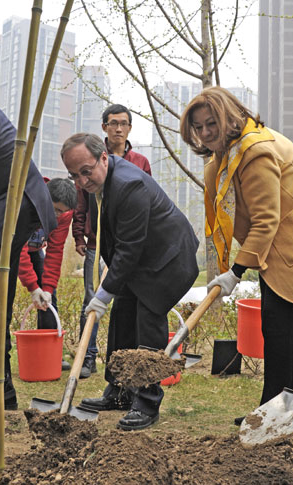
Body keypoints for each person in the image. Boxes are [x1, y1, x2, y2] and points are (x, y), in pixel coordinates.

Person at [180, 86, 293, 425]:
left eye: (212, 123)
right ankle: (275, 409)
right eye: (199, 127)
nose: (206, 132)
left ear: (229, 117)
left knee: (282, 330)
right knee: (276, 329)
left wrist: (236, 272)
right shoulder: (227, 157)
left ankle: (275, 413)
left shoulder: (255, 152)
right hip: (278, 245)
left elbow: (266, 219)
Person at [61, 133, 199, 431]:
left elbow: (130, 247)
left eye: (86, 171)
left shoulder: (129, 185)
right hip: (141, 261)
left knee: (148, 319)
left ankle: (147, 402)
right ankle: (120, 392)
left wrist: (103, 292)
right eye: (74, 175)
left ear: (104, 158)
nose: (82, 181)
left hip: (168, 261)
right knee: (122, 318)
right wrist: (111, 290)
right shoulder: (98, 184)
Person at [72, 103, 152, 379]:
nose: (119, 128)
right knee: (92, 299)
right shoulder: (92, 158)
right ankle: (87, 356)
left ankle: (123, 363)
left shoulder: (140, 162)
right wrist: (78, 232)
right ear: (104, 127)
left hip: (129, 245)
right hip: (97, 242)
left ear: (130, 127)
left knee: (126, 302)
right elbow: (81, 198)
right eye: (113, 123)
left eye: (124, 123)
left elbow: (148, 203)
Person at [0, 106, 56, 410]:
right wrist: (34, 287)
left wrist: (40, 287)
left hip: (14, 202)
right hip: (10, 202)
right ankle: (3, 391)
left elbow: (44, 255)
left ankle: (1, 391)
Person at [18, 178, 77, 370]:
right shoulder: (26, 199)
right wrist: (32, 286)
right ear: (44, 197)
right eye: (55, 209)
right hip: (11, 246)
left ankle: (50, 353)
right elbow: (17, 248)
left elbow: (55, 250)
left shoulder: (64, 214)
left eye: (62, 211)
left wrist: (47, 288)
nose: (57, 215)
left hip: (35, 250)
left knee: (48, 298)